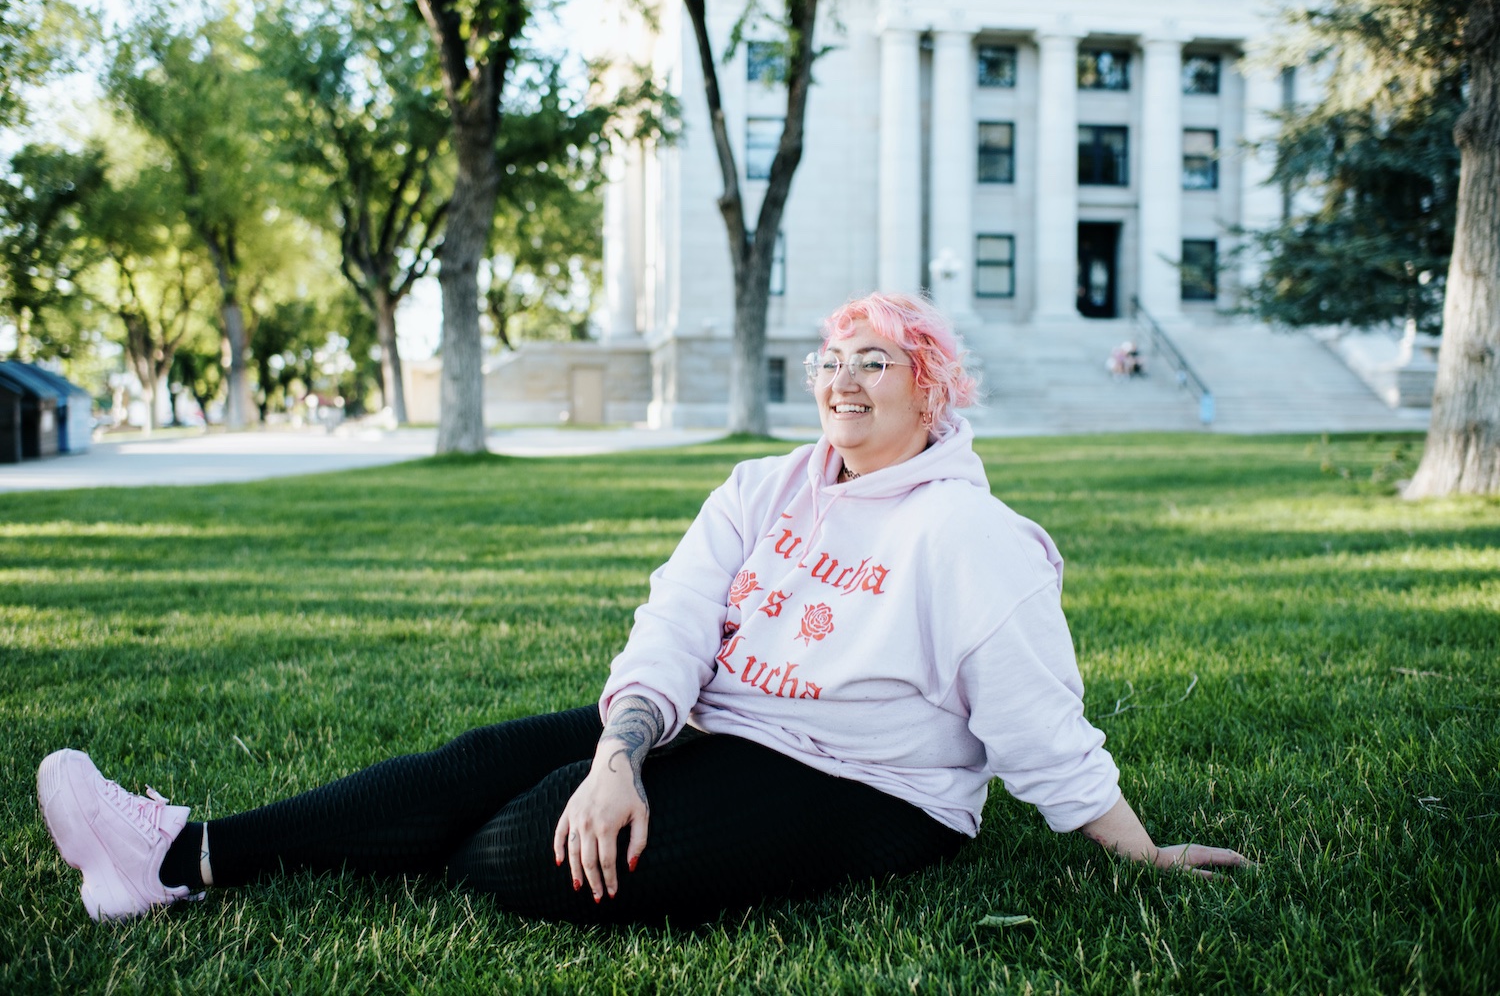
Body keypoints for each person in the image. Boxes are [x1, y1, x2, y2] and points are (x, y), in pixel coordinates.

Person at [37, 292, 1247, 926]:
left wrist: (1132, 847)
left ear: (933, 392)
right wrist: (624, 748)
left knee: (519, 852)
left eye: (877, 361)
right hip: (713, 724)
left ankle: (393, 845)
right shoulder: (762, 483)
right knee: (475, 762)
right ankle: (170, 855)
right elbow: (673, 618)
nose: (843, 379)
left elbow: (1036, 714)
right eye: (834, 357)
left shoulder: (971, 535)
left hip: (870, 784)